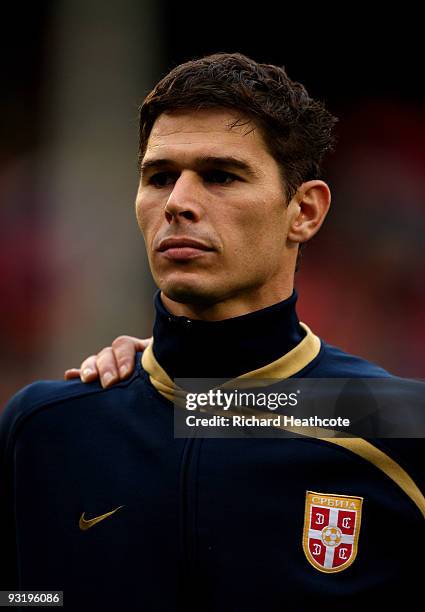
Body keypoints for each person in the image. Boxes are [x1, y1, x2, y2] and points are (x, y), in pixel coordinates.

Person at [1, 53, 423, 611]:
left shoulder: (396, 423)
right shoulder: (47, 428)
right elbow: (24, 597)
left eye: (221, 176)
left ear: (305, 211)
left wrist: (196, 393)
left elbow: (234, 410)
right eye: (159, 177)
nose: (177, 203)